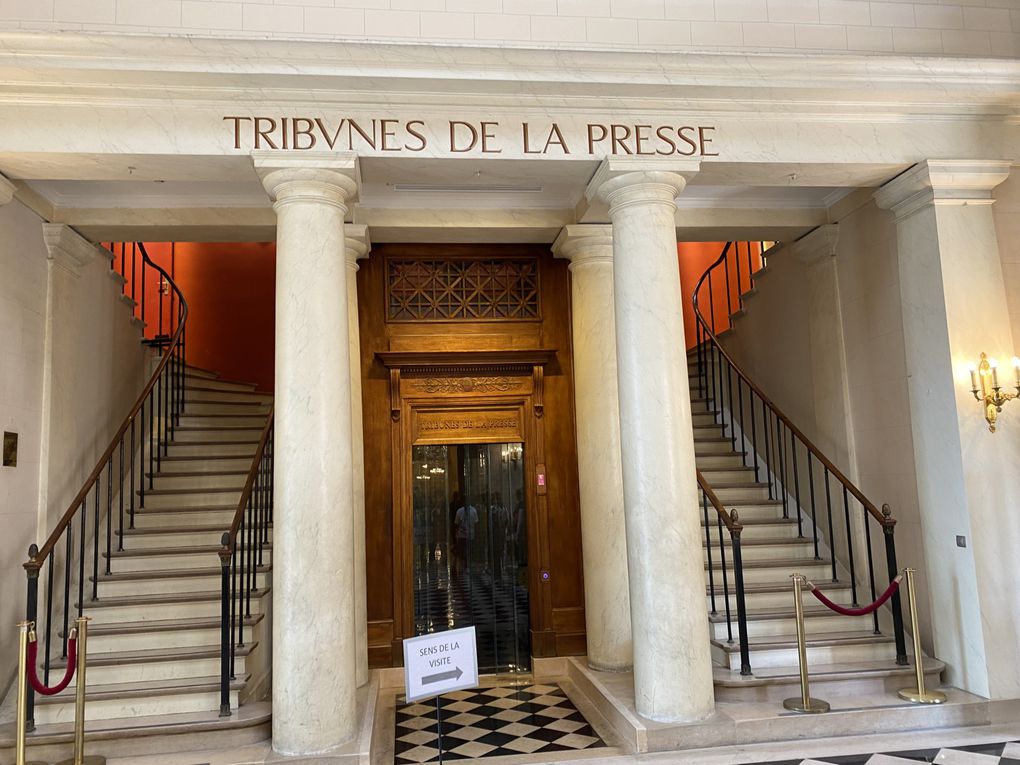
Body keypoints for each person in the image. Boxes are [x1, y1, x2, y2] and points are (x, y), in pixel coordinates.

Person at [453, 496, 478, 576]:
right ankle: (462, 566)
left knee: (468, 551)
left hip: (470, 534)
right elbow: (456, 523)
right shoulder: (460, 511)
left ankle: (467, 566)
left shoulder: (473, 511)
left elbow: (476, 523)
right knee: (462, 551)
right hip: (462, 535)